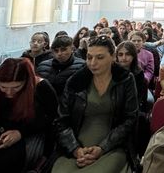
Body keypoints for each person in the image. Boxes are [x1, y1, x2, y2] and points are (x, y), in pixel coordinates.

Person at [52, 35, 138, 173]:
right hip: (75, 147)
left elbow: (130, 119)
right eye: (89, 57)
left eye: (100, 57)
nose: (92, 63)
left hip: (113, 145)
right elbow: (61, 121)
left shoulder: (125, 80)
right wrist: (75, 149)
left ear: (113, 56)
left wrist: (102, 148)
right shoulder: (75, 82)